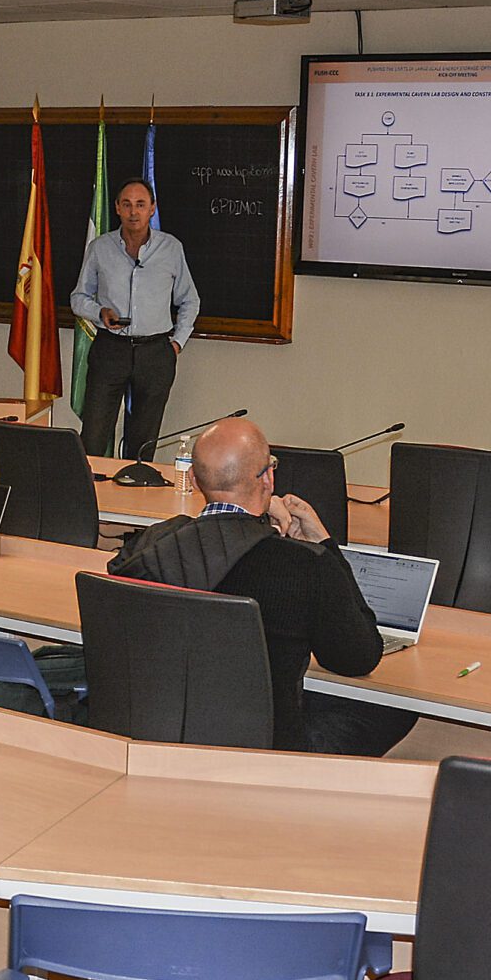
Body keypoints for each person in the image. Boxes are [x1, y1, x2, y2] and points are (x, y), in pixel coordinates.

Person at [106, 418, 416, 756]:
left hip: (160, 730)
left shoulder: (151, 544)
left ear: (193, 480)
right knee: (399, 704)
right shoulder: (305, 564)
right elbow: (358, 658)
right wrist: (326, 545)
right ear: (268, 477)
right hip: (268, 749)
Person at [70, 178, 199, 461]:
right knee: (93, 435)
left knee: (142, 442)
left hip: (155, 352)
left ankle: (133, 498)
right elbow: (78, 298)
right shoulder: (100, 248)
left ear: (152, 209)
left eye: (140, 205)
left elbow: (190, 300)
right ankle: (88, 496)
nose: (133, 212)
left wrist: (176, 344)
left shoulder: (171, 248)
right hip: (110, 349)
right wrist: (99, 314)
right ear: (116, 208)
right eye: (126, 204)